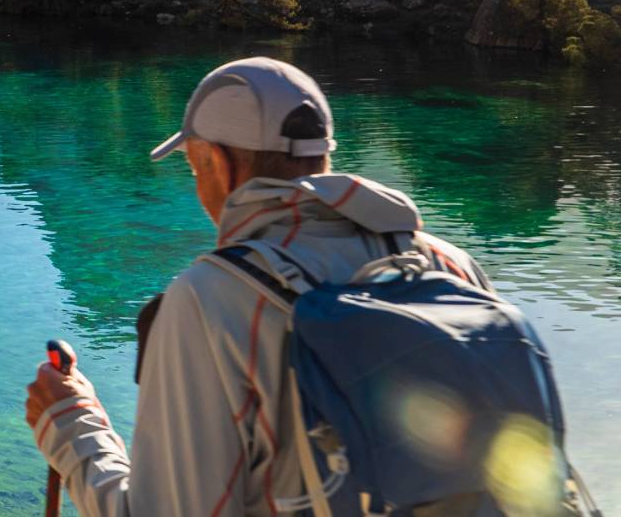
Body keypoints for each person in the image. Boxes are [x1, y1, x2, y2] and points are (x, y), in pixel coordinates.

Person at [24, 57, 497, 516]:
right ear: (322, 156)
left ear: (219, 163)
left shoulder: (211, 300)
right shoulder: (451, 267)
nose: (197, 187)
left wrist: (72, 424)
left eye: (194, 167)